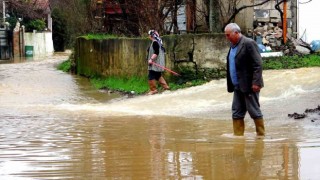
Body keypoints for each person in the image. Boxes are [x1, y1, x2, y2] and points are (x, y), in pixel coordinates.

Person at [224, 23, 265, 136]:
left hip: (249, 85)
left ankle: (261, 136)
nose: (226, 37)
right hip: (237, 86)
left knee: (254, 111)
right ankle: (238, 138)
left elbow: (258, 64)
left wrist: (256, 83)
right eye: (226, 35)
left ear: (236, 33)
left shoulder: (249, 43)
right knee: (236, 112)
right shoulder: (232, 45)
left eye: (228, 35)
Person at [146, 30, 169, 95]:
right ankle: (166, 87)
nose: (148, 36)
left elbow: (156, 53)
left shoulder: (155, 43)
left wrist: (151, 59)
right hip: (159, 63)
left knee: (151, 75)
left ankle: (153, 90)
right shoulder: (158, 43)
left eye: (149, 35)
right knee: (158, 75)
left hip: (154, 63)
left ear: (151, 36)